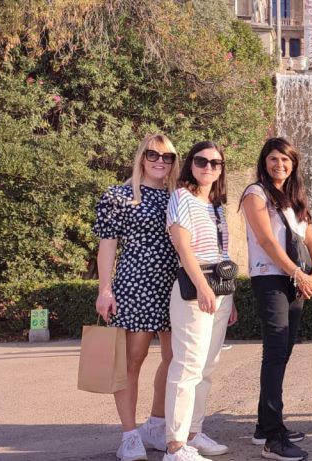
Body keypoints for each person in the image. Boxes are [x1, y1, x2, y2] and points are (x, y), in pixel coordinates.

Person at [94, 134, 181, 461]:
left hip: (175, 284)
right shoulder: (118, 195)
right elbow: (108, 245)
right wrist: (105, 289)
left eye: (168, 157)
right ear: (141, 157)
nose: (160, 161)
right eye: (153, 154)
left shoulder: (178, 195)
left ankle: (156, 424)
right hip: (135, 284)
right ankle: (129, 434)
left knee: (175, 359)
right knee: (133, 359)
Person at [240, 138, 312, 461]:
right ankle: (274, 437)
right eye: (274, 159)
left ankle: (264, 425)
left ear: (293, 164)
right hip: (270, 277)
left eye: (286, 160)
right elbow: (266, 240)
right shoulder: (255, 193)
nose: (280, 165)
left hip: (296, 279)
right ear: (264, 161)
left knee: (283, 350)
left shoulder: (293, 198)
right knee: (275, 351)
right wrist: (297, 274)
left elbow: (310, 237)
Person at [164, 141, 239, 461]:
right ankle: (175, 445)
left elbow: (222, 255)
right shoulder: (182, 197)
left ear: (221, 169)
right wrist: (203, 287)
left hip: (221, 289)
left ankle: (193, 433)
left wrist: (228, 296)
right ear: (190, 165)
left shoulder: (217, 206)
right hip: (195, 289)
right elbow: (183, 248)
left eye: (215, 163)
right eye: (201, 161)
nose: (208, 167)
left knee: (207, 366)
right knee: (187, 366)